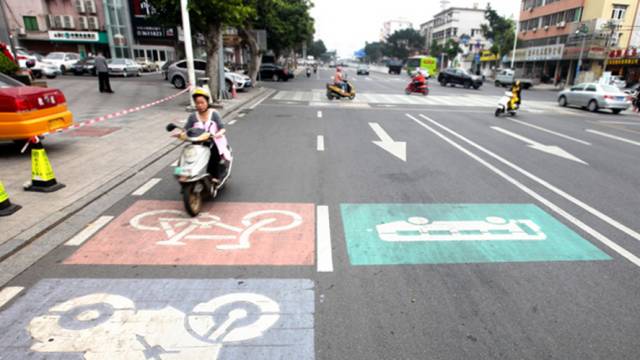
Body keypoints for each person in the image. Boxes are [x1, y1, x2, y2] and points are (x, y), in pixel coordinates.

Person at [182, 87, 231, 183]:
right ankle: (184, 173)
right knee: (187, 155)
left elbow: (222, 128)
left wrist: (217, 134)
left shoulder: (214, 114)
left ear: (207, 102)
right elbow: (186, 129)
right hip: (196, 143)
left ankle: (214, 176)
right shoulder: (193, 116)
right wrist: (181, 134)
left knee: (214, 154)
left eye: (202, 102)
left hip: (213, 142)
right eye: (197, 103)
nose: (200, 105)